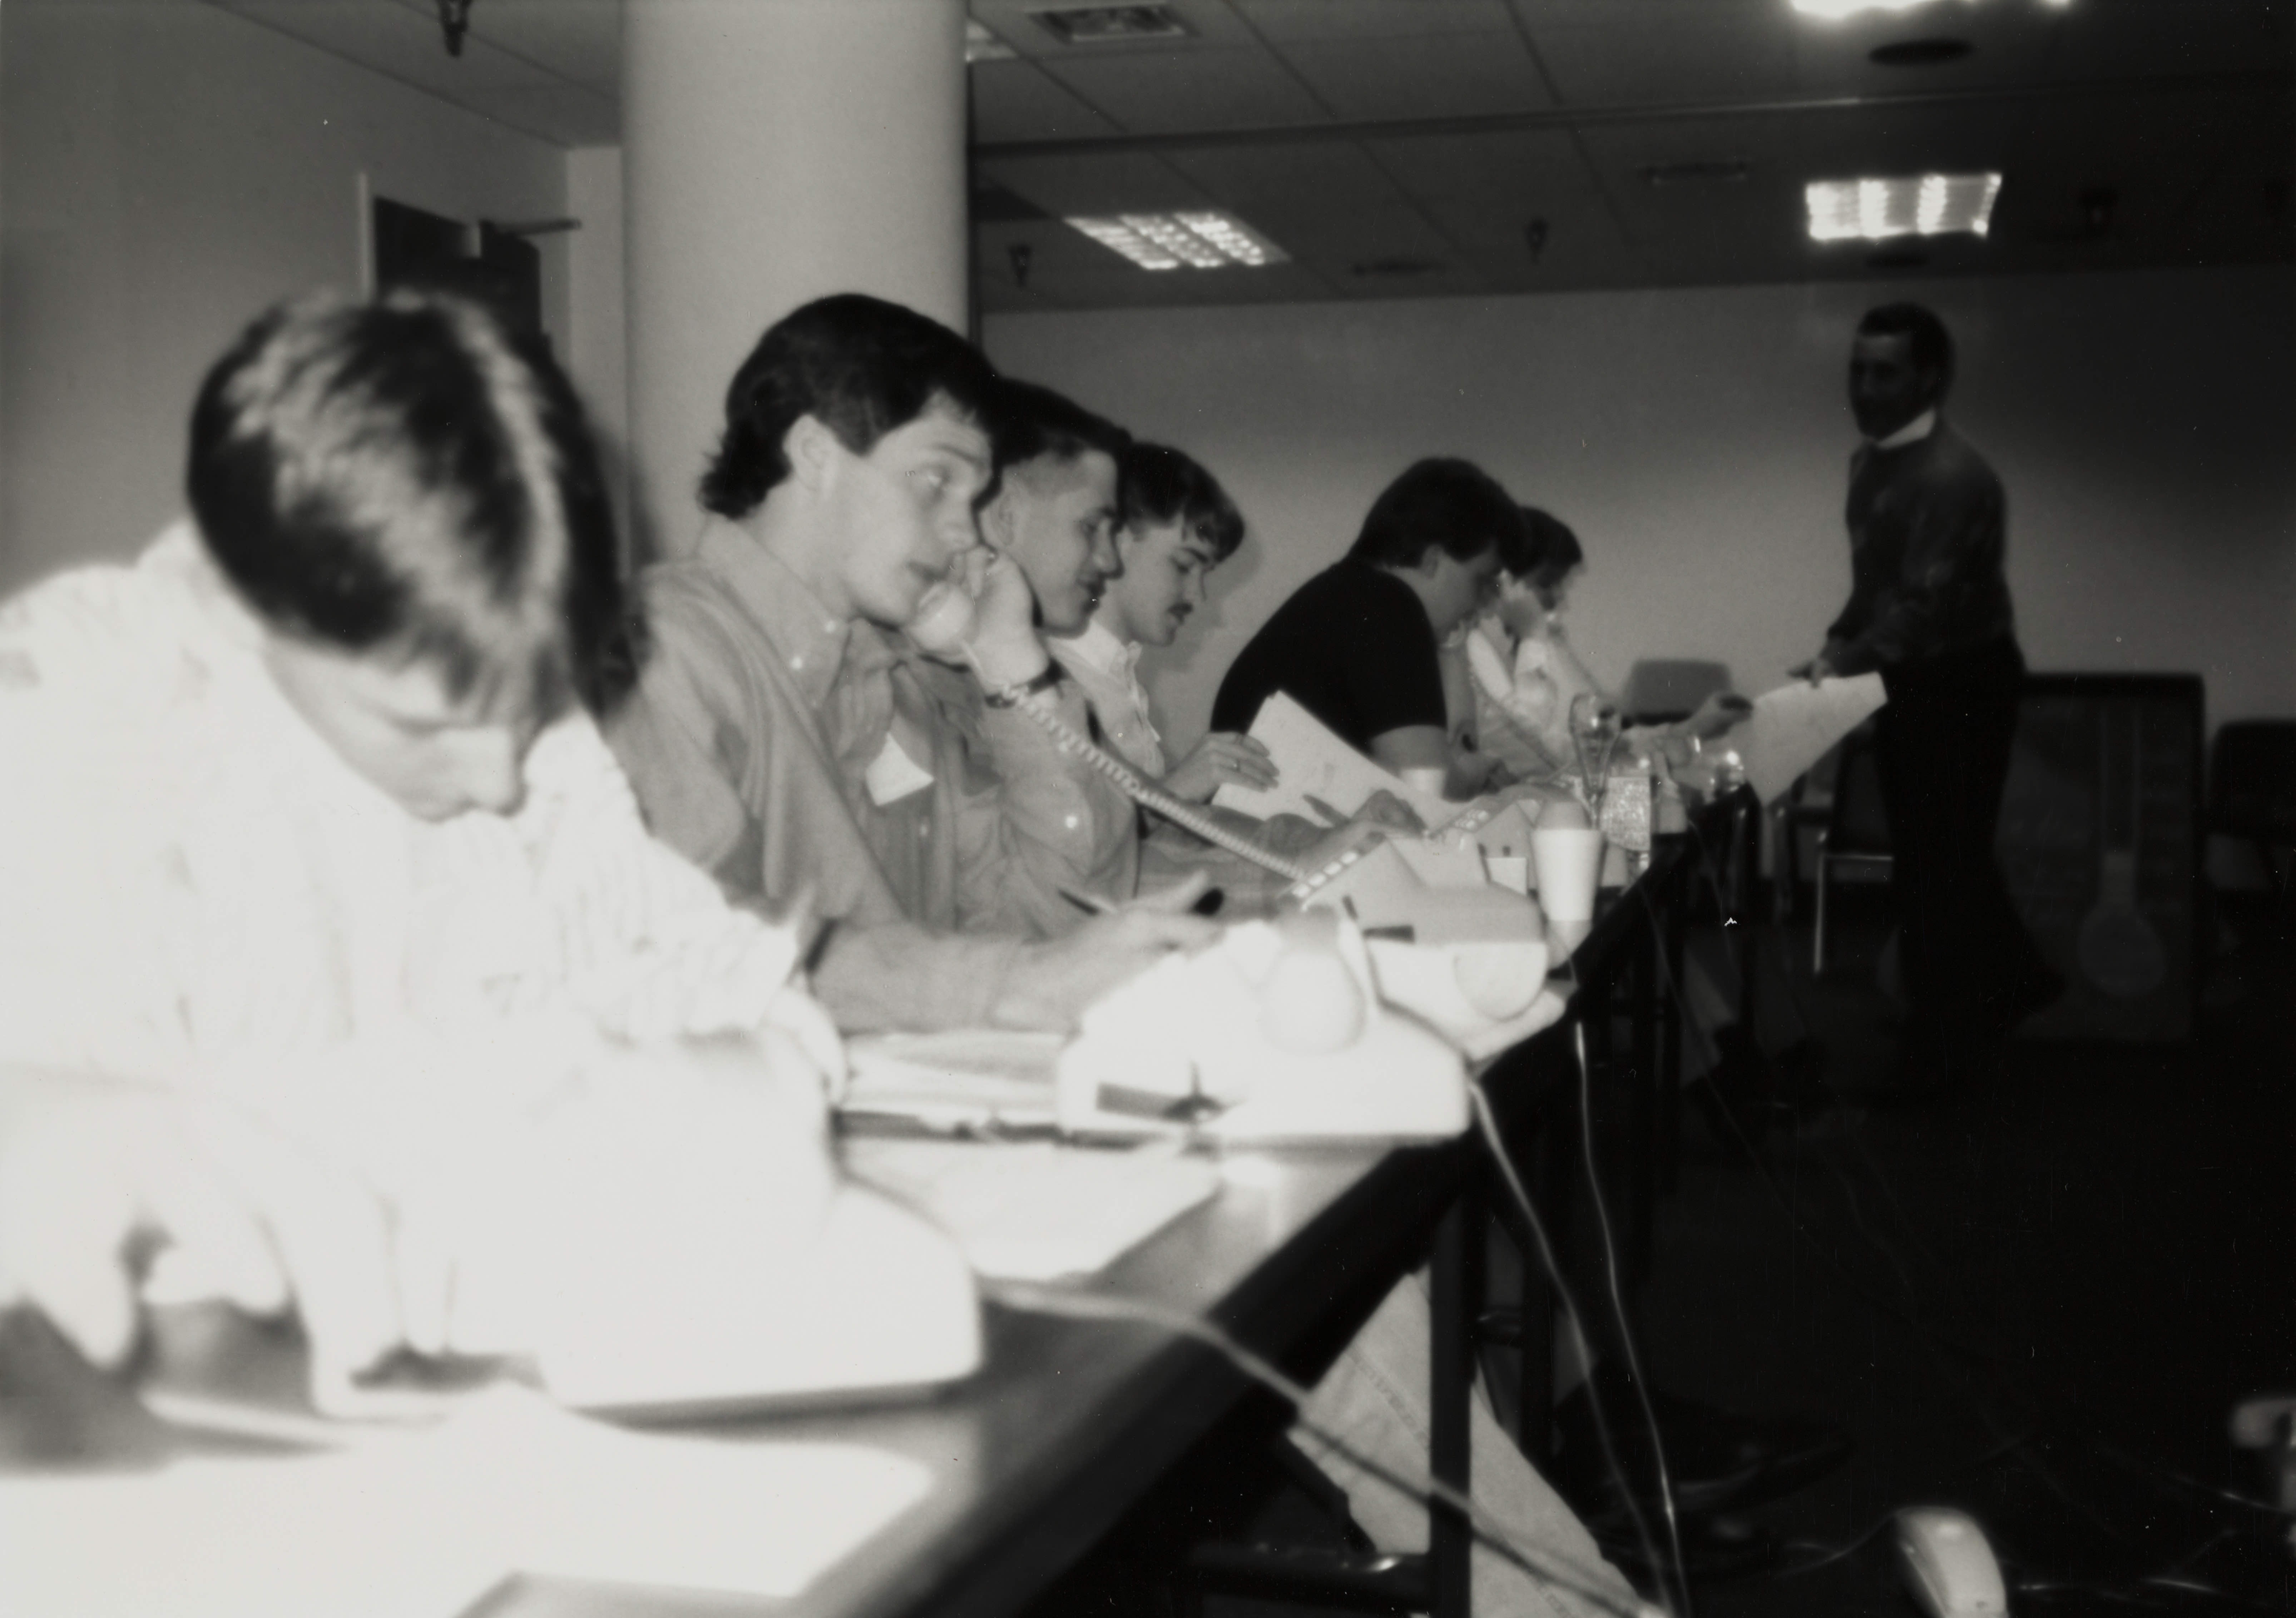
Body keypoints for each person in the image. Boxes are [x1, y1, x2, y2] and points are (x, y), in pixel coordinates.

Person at [0, 288, 850, 1394]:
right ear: (247, 608)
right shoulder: (71, 716)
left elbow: (711, 976)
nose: (501, 779)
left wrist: (751, 1057)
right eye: (426, 727)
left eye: (530, 708)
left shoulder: (494, 695)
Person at [604, 297, 1215, 1036]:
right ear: (813, 453)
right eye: (935, 482)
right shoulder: (661, 650)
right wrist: (1001, 987)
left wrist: (1017, 676)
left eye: (974, 497)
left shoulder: (897, 687)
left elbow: (1039, 920)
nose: (963, 532)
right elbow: (692, 945)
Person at [1791, 303, 2060, 1091]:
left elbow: (1924, 606)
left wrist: (1843, 661)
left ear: (1929, 377)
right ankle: (1994, 993)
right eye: (1856, 369)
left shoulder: (1954, 476)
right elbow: (1874, 586)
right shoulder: (1866, 462)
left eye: (1885, 372)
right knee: (1929, 860)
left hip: (1963, 678)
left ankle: (1940, 1055)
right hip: (1908, 675)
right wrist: (1835, 642)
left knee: (1940, 865)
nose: (1864, 387)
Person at [1212, 458, 1519, 797]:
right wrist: (1478, 776)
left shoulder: (1348, 595)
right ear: (1433, 559)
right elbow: (1428, 794)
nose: (1487, 604)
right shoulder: (1387, 605)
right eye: (1482, 581)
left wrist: (1451, 645)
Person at [1458, 508, 1747, 786]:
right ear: (1504, 583)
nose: (1559, 597)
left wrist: (1693, 729)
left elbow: (1604, 740)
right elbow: (1546, 762)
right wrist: (1533, 640)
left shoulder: (1546, 644)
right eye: (1547, 583)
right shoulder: (1474, 649)